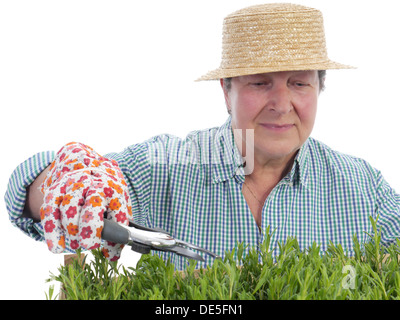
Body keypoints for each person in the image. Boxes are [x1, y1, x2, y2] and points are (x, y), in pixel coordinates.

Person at [5, 3, 400, 270]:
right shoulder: (166, 165)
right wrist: (72, 184)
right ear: (226, 90)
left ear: (319, 89)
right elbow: (25, 187)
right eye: (260, 83)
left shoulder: (362, 187)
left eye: (299, 83)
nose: (282, 104)